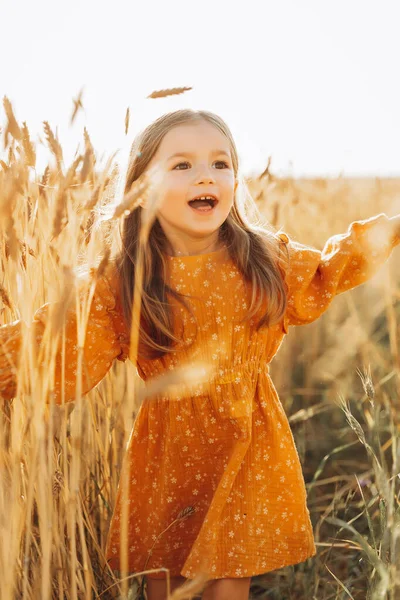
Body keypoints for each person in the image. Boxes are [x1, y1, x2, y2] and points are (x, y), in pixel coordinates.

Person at [0, 109, 399, 600]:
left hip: (247, 446)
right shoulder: (125, 279)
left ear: (235, 179)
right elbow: (57, 341)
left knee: (226, 584)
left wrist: (392, 229)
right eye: (182, 165)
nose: (206, 174)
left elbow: (328, 270)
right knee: (165, 584)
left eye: (220, 163)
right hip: (167, 456)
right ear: (142, 185)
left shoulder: (263, 259)